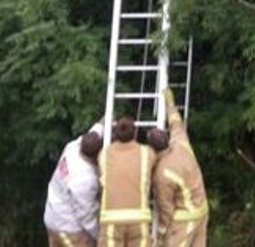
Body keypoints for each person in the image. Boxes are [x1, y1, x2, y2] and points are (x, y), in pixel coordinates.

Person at [146, 89, 208, 247]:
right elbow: (176, 122)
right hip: (202, 209)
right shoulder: (180, 143)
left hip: (185, 219)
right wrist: (170, 103)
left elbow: (166, 210)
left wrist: (160, 235)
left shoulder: (162, 174)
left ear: (153, 150)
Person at [98, 116, 156, 247]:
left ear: (115, 133)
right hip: (139, 218)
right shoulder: (147, 153)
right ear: (135, 133)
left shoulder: (103, 154)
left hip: (110, 219)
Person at [44, 122, 104, 247]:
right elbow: (86, 216)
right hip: (69, 229)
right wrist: (100, 236)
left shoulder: (73, 147)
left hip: (53, 217)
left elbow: (91, 136)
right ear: (96, 156)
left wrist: (103, 123)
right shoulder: (85, 179)